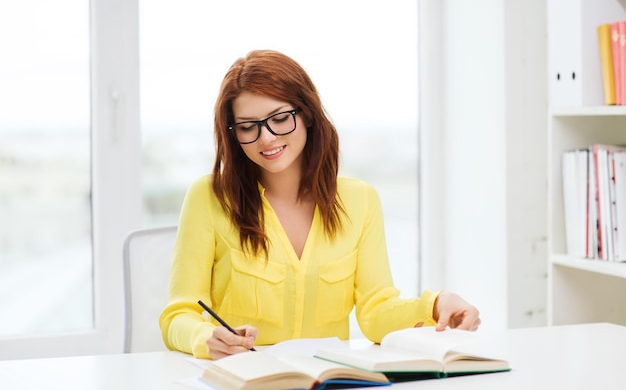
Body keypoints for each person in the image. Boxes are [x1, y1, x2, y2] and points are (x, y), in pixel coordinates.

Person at [159, 50, 481, 360]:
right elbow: (179, 315)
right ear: (233, 133)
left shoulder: (360, 201)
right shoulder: (209, 197)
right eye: (247, 126)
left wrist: (436, 306)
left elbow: (375, 311)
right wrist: (206, 339)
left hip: (326, 385)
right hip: (242, 382)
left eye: (280, 118)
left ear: (307, 114)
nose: (266, 138)